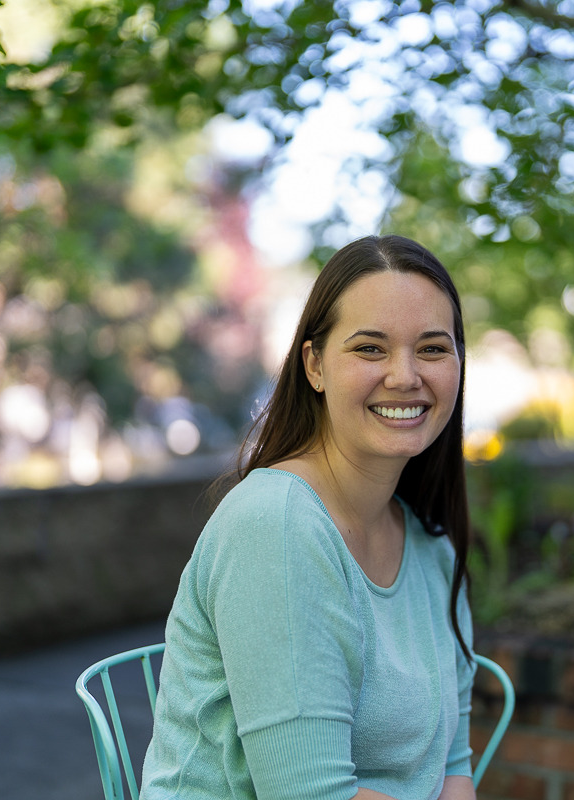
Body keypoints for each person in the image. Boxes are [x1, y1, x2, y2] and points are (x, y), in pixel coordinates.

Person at [140, 234, 477, 800]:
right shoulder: (276, 526)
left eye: (433, 349)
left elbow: (455, 766)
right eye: (370, 348)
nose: (405, 375)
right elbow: (310, 795)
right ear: (314, 365)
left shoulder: (431, 550)